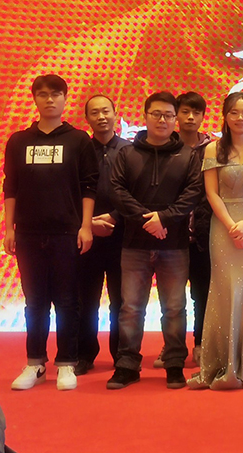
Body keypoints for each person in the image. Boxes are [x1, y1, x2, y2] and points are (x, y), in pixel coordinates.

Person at [5, 74, 99, 392]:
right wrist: (8, 229)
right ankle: (35, 362)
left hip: (66, 233)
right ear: (34, 99)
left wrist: (85, 226)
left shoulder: (78, 140)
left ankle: (66, 362)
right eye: (43, 94)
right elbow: (11, 186)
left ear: (65, 99)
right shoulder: (19, 140)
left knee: (68, 300)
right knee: (34, 301)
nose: (49, 99)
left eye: (55, 94)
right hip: (28, 233)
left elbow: (89, 186)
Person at [107, 91, 204, 390]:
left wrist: (165, 219)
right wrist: (147, 220)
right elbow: (117, 190)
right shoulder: (127, 153)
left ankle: (174, 364)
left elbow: (193, 193)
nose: (162, 120)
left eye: (168, 115)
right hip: (134, 244)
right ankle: (127, 365)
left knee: (174, 308)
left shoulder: (188, 156)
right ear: (145, 116)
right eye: (156, 114)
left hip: (174, 245)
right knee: (130, 308)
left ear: (175, 119)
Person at [188, 93, 243, 389]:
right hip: (222, 226)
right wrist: (231, 225)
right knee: (224, 289)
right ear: (225, 116)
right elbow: (211, 192)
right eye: (234, 113)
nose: (240, 118)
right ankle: (222, 361)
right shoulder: (213, 148)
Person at [75, 94, 130, 376]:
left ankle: (122, 354)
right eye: (94, 112)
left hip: (123, 236)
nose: (101, 117)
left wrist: (115, 216)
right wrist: (88, 222)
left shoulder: (130, 151)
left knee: (122, 301)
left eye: (106, 111)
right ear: (87, 118)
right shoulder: (79, 151)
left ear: (115, 113)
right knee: (86, 300)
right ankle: (84, 354)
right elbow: (71, 192)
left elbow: (137, 192)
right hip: (87, 235)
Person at [169, 92, 214, 369]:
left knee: (203, 294)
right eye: (185, 111)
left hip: (205, 235)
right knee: (173, 298)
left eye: (196, 112)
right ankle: (173, 348)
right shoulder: (166, 146)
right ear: (176, 114)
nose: (190, 117)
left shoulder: (214, 148)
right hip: (172, 235)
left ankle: (201, 344)